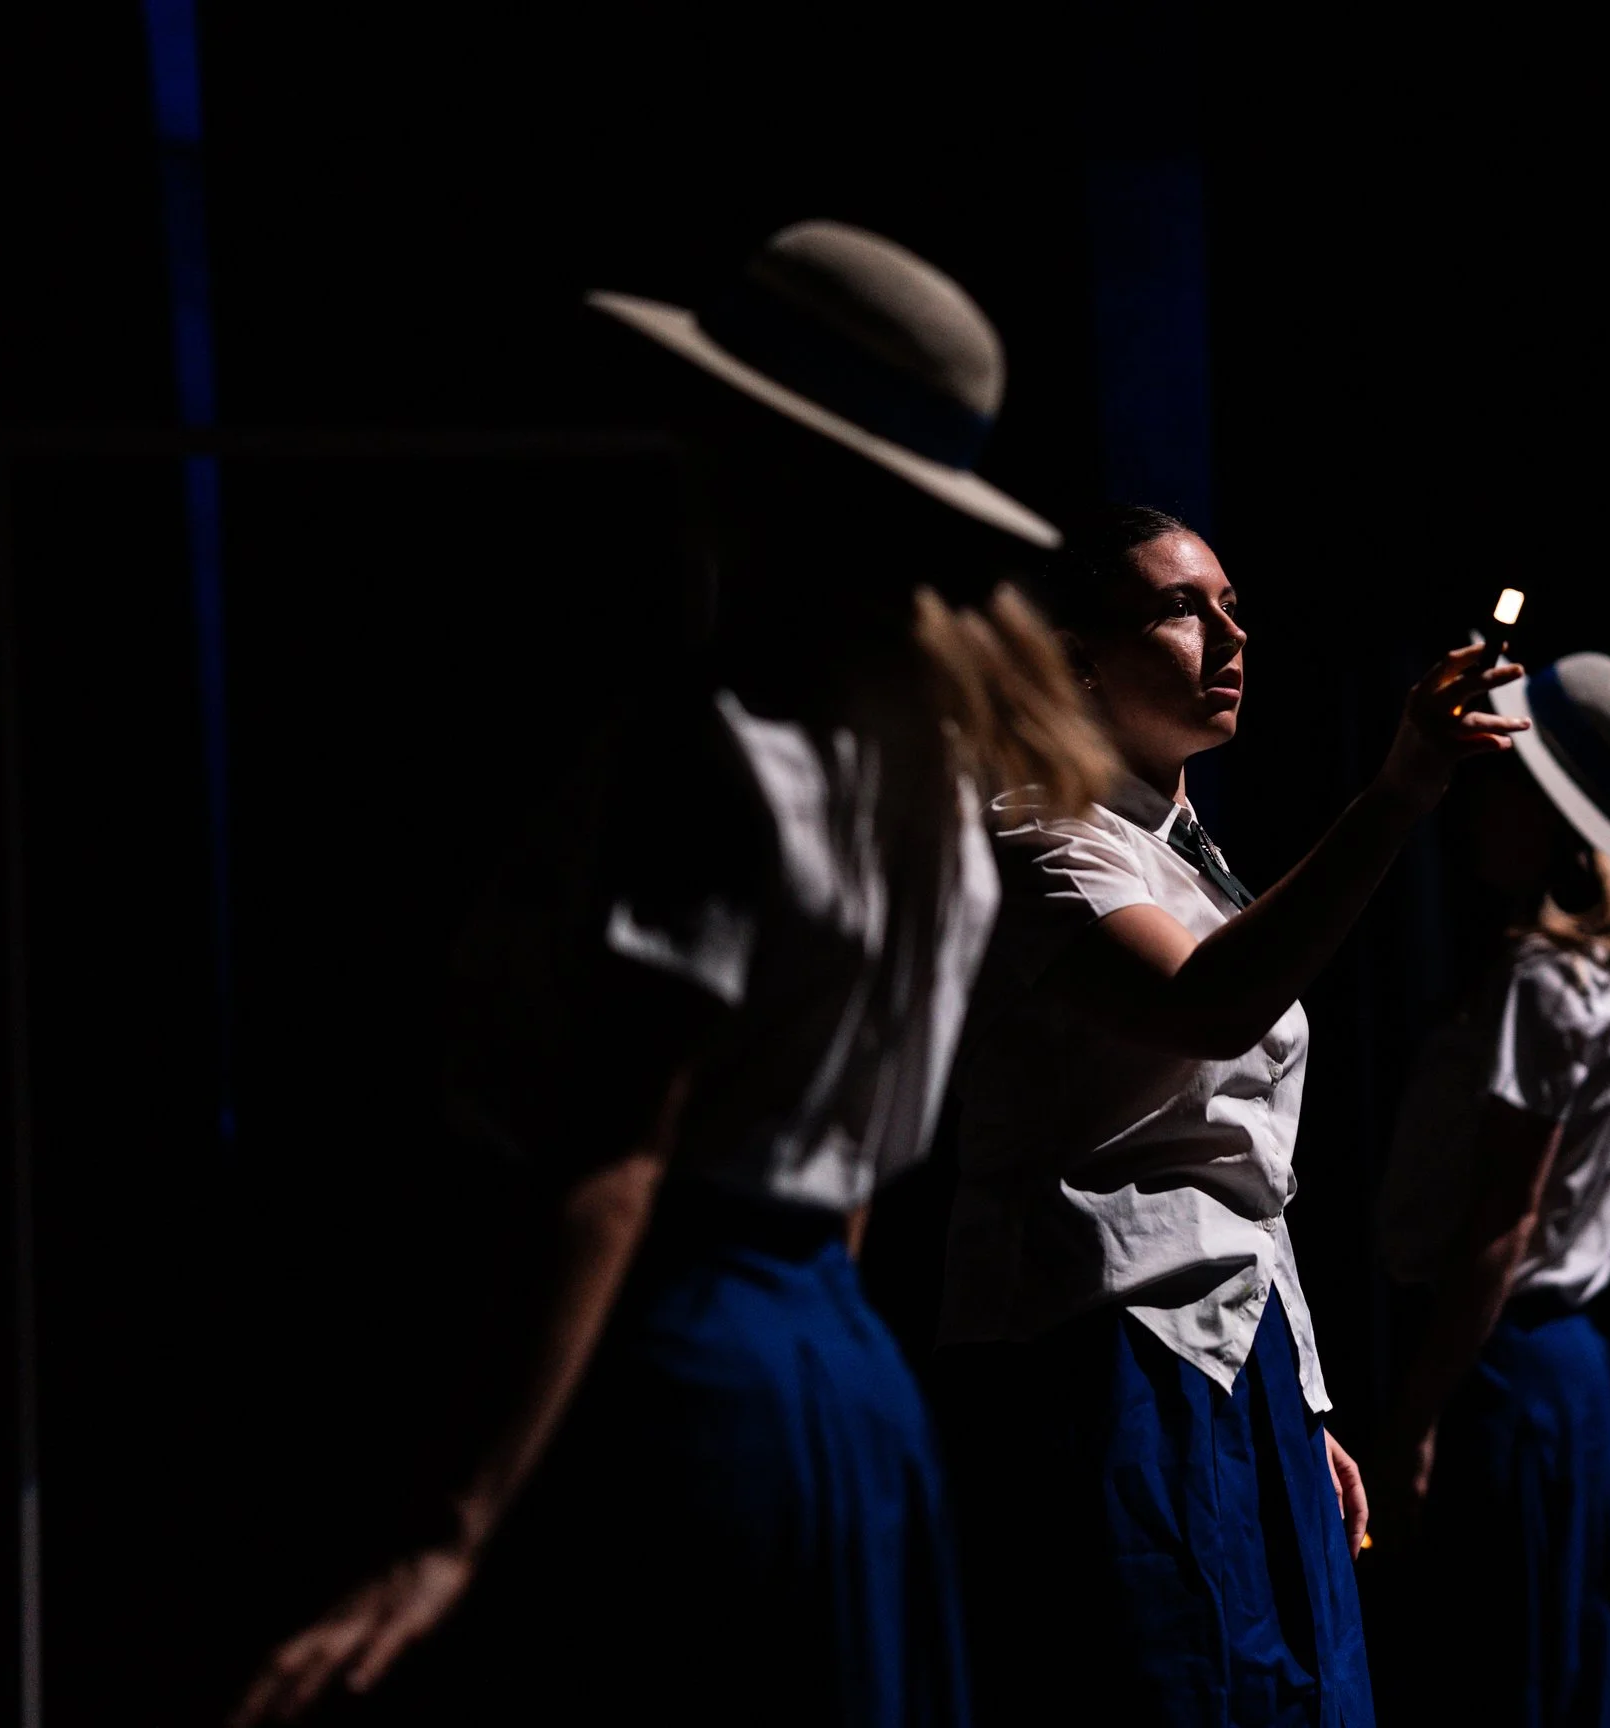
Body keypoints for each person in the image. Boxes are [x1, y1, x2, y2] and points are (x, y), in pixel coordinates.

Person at [230, 221, 1113, 1727]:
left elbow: (618, 1157)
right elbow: (843, 1198)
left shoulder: (724, 754)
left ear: (769, 457)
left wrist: (451, 1530)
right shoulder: (941, 772)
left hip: (690, 1362)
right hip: (844, 1379)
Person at [934, 505, 1530, 1727]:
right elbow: (1213, 1006)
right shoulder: (1036, 836)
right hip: (1108, 1354)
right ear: (1077, 658)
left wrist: (1301, 1399)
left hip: (1232, 1355)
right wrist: (1399, 792)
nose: (1228, 635)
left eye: (1234, 608)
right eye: (1179, 607)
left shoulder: (1195, 858)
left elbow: (1248, 1170)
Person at [1374, 651, 1610, 1728]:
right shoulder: (1603, 972)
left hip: (1503, 1368)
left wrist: (1411, 1424)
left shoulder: (1545, 983)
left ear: (1545, 811)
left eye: (1501, 777)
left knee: (1505, 1669)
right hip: (1559, 1370)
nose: (1477, 799)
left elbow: (1503, 1223)